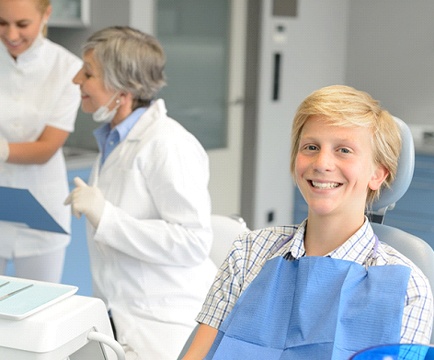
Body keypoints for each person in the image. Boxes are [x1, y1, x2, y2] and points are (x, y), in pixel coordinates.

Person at [183, 85, 434, 360]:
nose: (322, 162)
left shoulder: (408, 288)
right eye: (311, 147)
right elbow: (197, 355)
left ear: (377, 174)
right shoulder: (249, 252)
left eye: (344, 150)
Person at [64, 26, 217, 359]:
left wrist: (106, 216)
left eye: (88, 73)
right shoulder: (114, 140)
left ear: (123, 88)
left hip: (167, 323)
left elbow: (192, 242)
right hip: (122, 315)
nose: (77, 79)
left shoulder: (168, 144)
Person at [0, 0, 81, 282]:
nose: (11, 35)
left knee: (39, 309)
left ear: (46, 14)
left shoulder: (68, 68)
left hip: (41, 210)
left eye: (22, 24)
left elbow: (45, 148)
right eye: (1, 23)